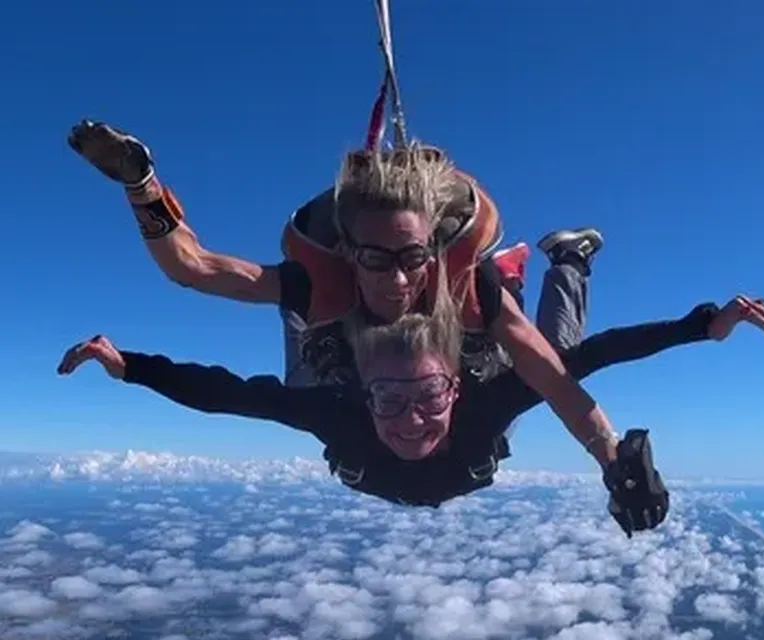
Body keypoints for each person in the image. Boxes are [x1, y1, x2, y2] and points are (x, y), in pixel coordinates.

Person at [66, 120, 631, 479]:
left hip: (465, 382)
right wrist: (140, 184)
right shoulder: (318, 285)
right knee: (309, 357)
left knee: (554, 355)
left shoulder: (467, 289)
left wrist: (610, 458)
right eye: (376, 260)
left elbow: (557, 382)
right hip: (356, 381)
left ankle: (569, 261)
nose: (399, 281)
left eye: (412, 258)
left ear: (433, 253)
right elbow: (190, 268)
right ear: (351, 253)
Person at [56, 284, 764, 533]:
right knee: (304, 374)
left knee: (547, 357)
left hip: (447, 421)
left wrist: (704, 326)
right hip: (354, 406)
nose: (409, 418)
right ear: (366, 393)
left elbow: (593, 358)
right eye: (391, 400)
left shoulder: (475, 405)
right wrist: (129, 368)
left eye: (428, 396)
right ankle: (315, 305)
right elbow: (225, 395)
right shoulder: (340, 411)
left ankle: (571, 260)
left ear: (456, 389)